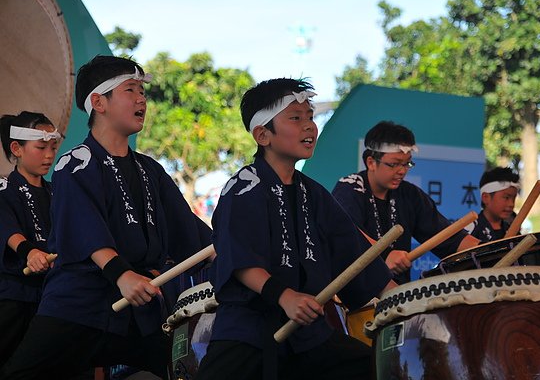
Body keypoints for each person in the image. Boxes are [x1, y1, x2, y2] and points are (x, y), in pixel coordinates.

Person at [1, 55, 213, 379]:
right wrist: (121, 274)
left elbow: (190, 231)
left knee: (183, 370)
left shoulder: (150, 170)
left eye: (142, 91)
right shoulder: (75, 163)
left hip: (139, 306)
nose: (142, 99)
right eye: (131, 90)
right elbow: (85, 227)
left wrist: (232, 249)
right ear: (99, 102)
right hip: (78, 305)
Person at [195, 78, 396, 380]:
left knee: (375, 368)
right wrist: (285, 296)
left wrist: (406, 300)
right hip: (249, 330)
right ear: (263, 134)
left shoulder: (314, 194)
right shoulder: (242, 187)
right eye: (295, 118)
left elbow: (356, 257)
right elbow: (238, 259)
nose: (309, 127)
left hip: (307, 335)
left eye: (310, 117)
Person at [332, 121, 479, 285]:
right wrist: (385, 255)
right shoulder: (350, 187)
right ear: (371, 162)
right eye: (394, 164)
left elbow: (448, 238)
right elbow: (346, 232)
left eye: (407, 163)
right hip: (355, 296)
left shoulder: (410, 195)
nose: (402, 171)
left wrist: (488, 251)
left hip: (397, 298)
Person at [0, 111, 61, 367]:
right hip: (12, 296)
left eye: (52, 147)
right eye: (40, 147)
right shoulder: (4, 188)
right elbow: (6, 226)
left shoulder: (56, 192)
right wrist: (29, 252)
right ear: (17, 148)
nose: (49, 155)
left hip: (50, 297)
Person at [466, 167, 520, 243]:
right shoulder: (471, 228)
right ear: (486, 198)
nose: (511, 204)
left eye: (513, 198)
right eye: (506, 197)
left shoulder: (512, 230)